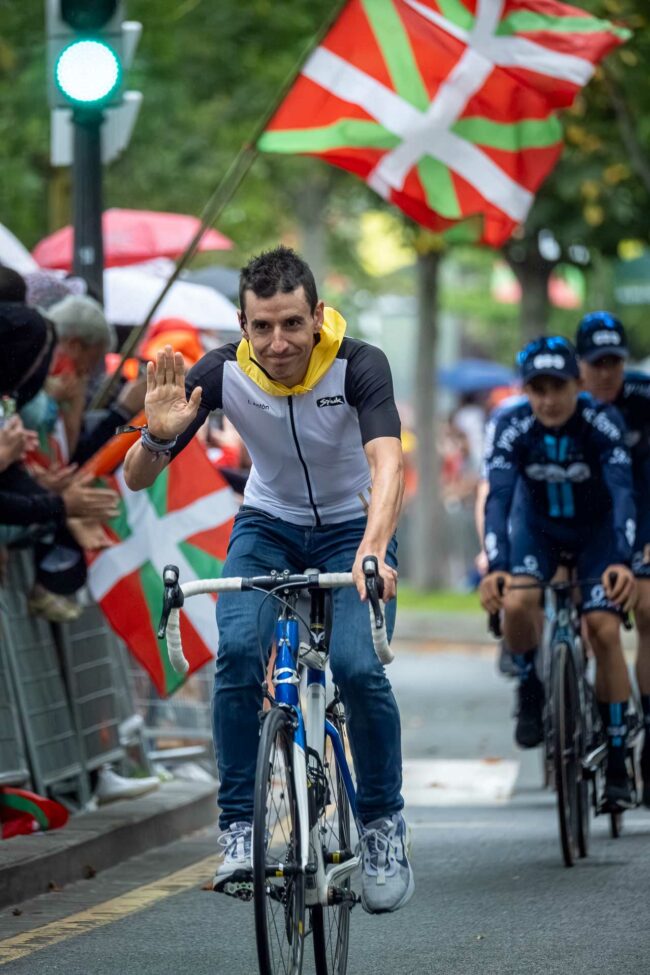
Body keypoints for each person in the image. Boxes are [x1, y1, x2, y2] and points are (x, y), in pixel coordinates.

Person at [124, 245, 413, 914]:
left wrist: (372, 550)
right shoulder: (221, 373)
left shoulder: (361, 364)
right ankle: (237, 831)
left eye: (291, 323)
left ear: (316, 315)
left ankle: (381, 827)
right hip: (267, 524)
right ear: (243, 323)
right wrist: (159, 437)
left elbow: (389, 466)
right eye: (262, 326)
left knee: (358, 668)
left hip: (353, 525)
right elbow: (137, 477)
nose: (278, 342)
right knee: (235, 655)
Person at [479, 336, 638, 811]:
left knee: (604, 629)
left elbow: (624, 492)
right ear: (526, 390)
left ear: (577, 384)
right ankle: (529, 682)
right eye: (538, 389)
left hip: (597, 537)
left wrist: (622, 560)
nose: (548, 400)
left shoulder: (600, 421)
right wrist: (498, 565)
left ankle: (615, 758)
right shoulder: (512, 423)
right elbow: (498, 500)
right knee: (518, 603)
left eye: (559, 387)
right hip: (538, 534)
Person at [576, 311, 650, 807]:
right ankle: (545, 683)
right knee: (596, 627)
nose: (606, 373)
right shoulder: (562, 405)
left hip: (641, 520)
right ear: (578, 365)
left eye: (614, 362)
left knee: (647, 611)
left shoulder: (643, 399)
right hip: (583, 530)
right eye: (596, 363)